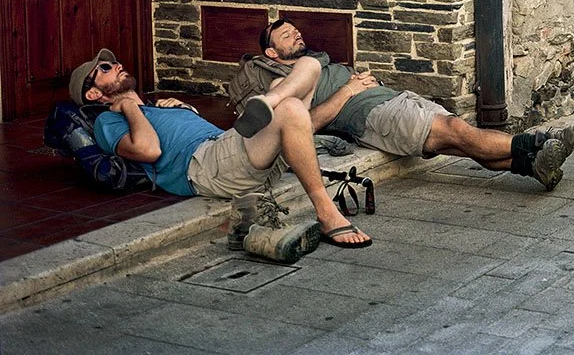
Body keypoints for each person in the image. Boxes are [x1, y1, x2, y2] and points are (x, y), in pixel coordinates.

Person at [69, 48, 372, 260]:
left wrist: (180, 109)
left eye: (114, 62)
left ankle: (271, 99)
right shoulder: (108, 121)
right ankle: (326, 213)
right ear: (93, 93)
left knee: (309, 66)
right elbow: (149, 150)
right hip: (206, 166)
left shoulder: (156, 108)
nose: (116, 65)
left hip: (230, 150)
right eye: (105, 68)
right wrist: (127, 104)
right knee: (292, 107)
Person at [230, 18, 574, 191]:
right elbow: (306, 124)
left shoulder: (316, 60)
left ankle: (531, 166)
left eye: (296, 31)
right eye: (286, 35)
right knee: (457, 130)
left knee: (460, 142)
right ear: (271, 52)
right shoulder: (284, 81)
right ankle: (539, 141)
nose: (296, 34)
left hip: (393, 99)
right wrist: (348, 91)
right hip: (372, 116)